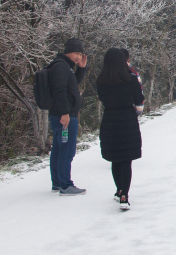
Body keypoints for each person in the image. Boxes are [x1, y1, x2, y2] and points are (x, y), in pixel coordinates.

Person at [95, 48, 144, 210]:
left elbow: (103, 99)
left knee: (115, 158)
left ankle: (119, 190)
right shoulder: (130, 80)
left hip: (109, 121)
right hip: (127, 120)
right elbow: (139, 99)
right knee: (126, 160)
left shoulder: (101, 81)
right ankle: (125, 195)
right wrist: (137, 111)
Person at [48, 38, 89, 195]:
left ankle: (58, 183)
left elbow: (72, 86)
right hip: (64, 116)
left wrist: (81, 69)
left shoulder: (64, 66)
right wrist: (65, 113)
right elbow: (60, 91)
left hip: (61, 115)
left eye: (81, 54)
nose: (79, 57)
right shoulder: (60, 67)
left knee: (59, 149)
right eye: (76, 53)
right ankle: (65, 184)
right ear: (68, 51)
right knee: (67, 150)